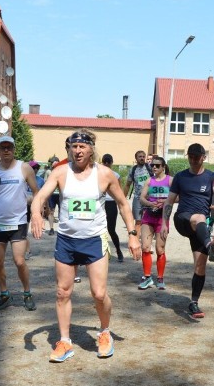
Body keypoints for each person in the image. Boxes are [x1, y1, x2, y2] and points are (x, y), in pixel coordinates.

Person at [29, 129, 141, 362]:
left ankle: (104, 332)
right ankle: (65, 342)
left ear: (91, 149)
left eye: (82, 147)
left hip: (94, 240)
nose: (77, 151)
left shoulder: (105, 175)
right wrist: (36, 214)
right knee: (62, 292)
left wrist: (132, 234)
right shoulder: (60, 172)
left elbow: (123, 204)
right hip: (67, 240)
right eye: (73, 147)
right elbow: (40, 197)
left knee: (99, 294)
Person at [0, 136, 39, 311]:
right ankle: (4, 294)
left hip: (18, 222)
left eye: (9, 147)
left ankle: (27, 293)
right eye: (2, 148)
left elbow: (36, 191)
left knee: (19, 261)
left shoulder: (24, 168)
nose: (6, 151)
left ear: (14, 149)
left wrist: (36, 210)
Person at [161, 143, 214, 319]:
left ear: (203, 157)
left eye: (196, 157)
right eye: (190, 156)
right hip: (183, 219)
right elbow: (169, 201)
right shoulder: (181, 177)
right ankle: (210, 246)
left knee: (200, 266)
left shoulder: (211, 176)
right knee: (198, 217)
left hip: (200, 228)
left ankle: (194, 303)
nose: (193, 160)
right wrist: (164, 223)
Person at [138, 156, 172, 290]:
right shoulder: (149, 180)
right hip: (149, 216)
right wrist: (150, 203)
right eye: (152, 165)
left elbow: (178, 197)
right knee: (145, 247)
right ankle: (147, 278)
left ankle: (160, 278)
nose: (154, 168)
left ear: (163, 167)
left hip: (162, 218)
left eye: (157, 165)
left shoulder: (170, 180)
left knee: (160, 249)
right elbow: (141, 198)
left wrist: (164, 202)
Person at [100, 154, 126, 263]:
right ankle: (101, 252)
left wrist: (120, 204)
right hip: (101, 202)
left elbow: (119, 190)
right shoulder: (98, 174)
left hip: (110, 203)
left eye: (108, 162)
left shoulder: (115, 175)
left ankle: (119, 251)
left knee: (111, 229)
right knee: (99, 229)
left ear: (111, 163)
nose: (106, 164)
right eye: (105, 163)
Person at [124, 150, 151, 228]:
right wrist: (123, 198)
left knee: (148, 219)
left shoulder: (150, 167)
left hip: (149, 198)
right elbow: (127, 185)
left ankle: (147, 237)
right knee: (138, 220)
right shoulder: (133, 170)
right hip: (137, 198)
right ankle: (136, 239)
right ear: (136, 158)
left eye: (143, 156)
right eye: (140, 157)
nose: (142, 158)